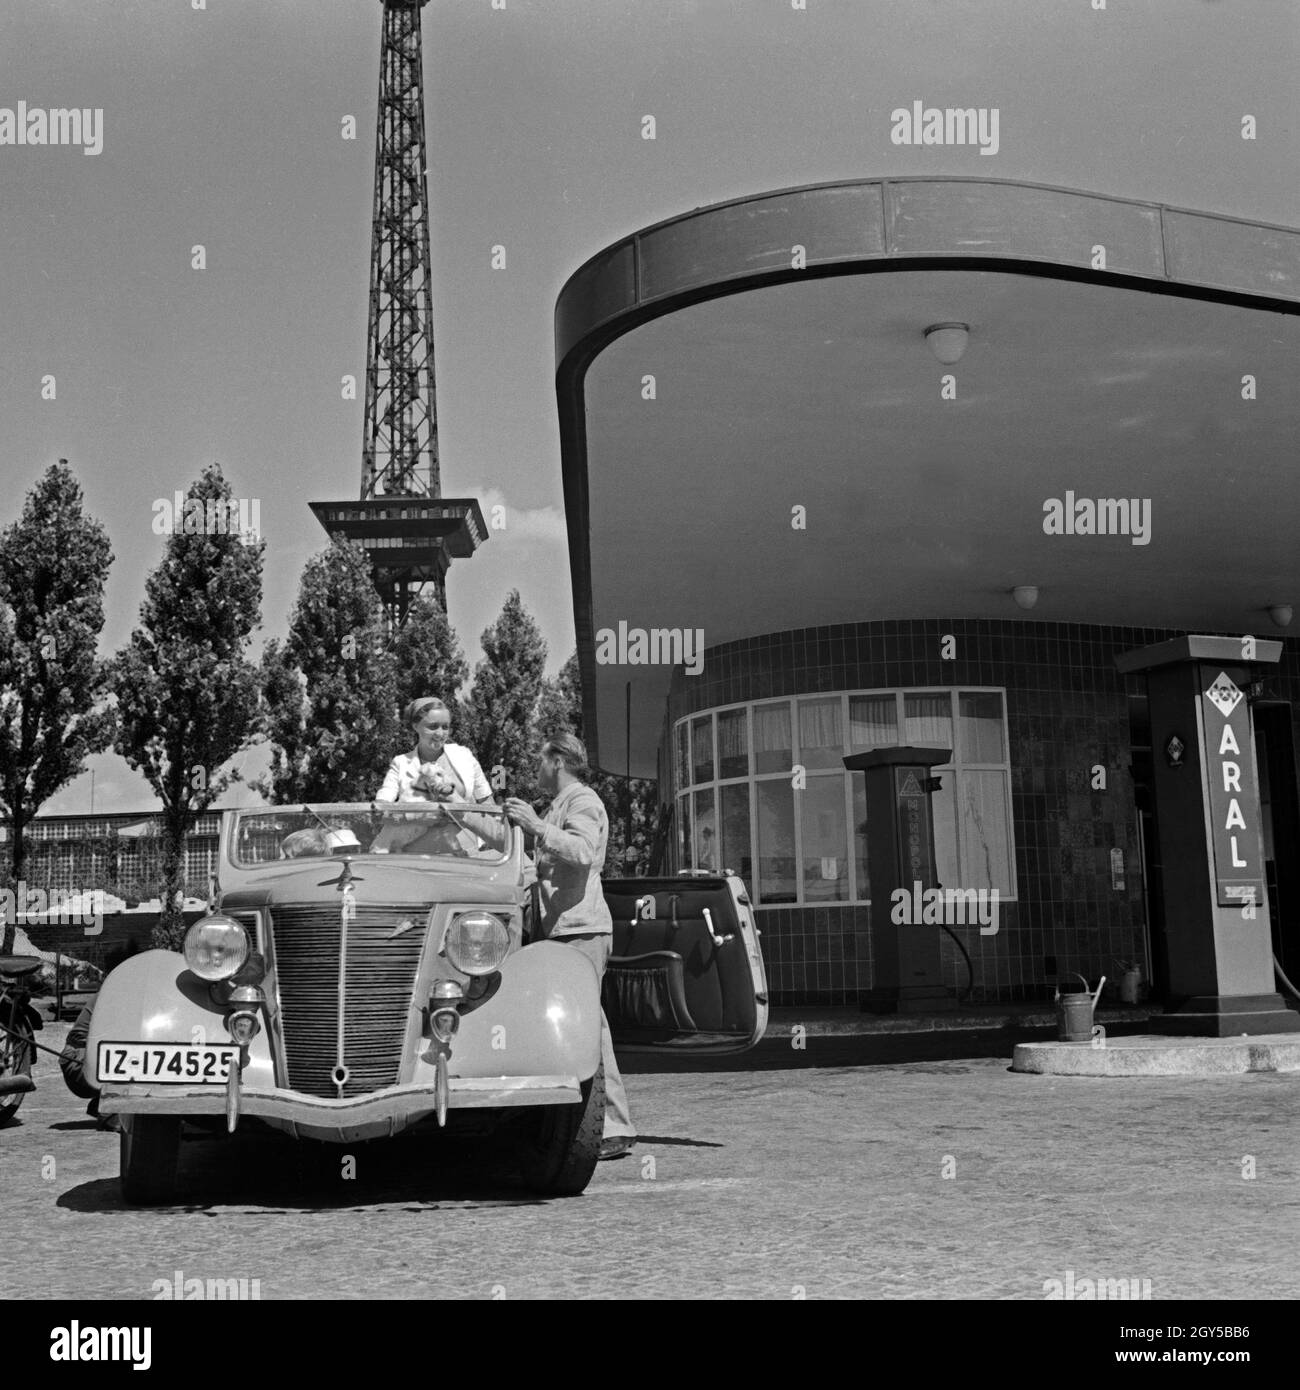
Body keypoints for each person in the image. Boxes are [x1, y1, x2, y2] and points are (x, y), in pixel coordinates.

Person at [503, 732, 636, 1160]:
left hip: (580, 930)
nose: (536, 769)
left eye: (541, 761)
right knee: (582, 1026)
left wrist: (537, 828)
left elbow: (580, 851)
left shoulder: (583, 801)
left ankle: (613, 1127)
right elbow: (539, 867)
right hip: (562, 931)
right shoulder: (556, 807)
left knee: (589, 1027)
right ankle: (597, 1124)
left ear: (558, 760)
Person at [375, 697, 495, 853]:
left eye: (445, 727)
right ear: (415, 726)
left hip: (464, 854)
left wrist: (491, 838)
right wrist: (417, 817)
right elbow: (379, 811)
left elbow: (487, 803)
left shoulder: (464, 756)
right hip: (415, 856)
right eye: (432, 727)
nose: (440, 733)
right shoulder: (400, 763)